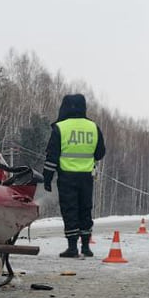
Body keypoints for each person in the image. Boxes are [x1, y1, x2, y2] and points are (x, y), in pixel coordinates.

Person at [43, 94, 106, 257]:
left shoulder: (60, 127)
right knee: (85, 209)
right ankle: (86, 246)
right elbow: (100, 153)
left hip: (67, 176)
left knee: (70, 209)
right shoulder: (93, 127)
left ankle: (72, 247)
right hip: (86, 176)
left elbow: (52, 156)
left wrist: (47, 178)